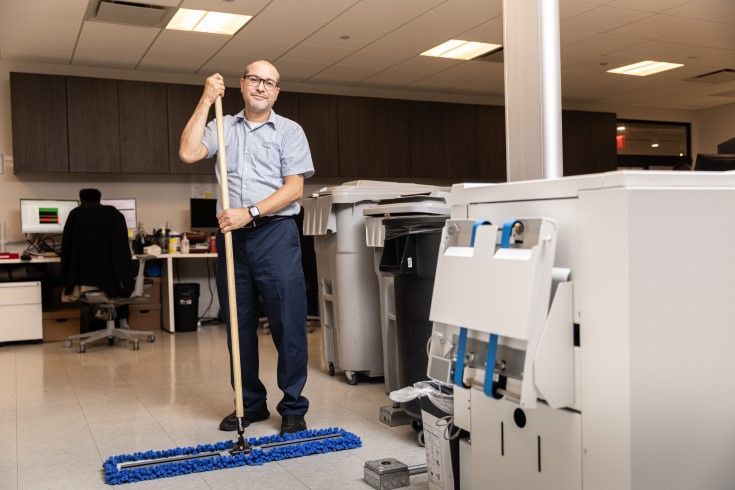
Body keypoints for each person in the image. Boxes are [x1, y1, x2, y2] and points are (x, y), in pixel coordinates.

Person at [179, 60, 314, 435]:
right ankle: (249, 404)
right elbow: (189, 153)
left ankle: (292, 407)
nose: (261, 87)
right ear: (242, 84)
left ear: (276, 91)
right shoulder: (222, 125)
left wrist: (249, 212)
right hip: (232, 238)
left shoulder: (290, 131)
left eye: (269, 83)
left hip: (276, 233)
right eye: (255, 79)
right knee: (237, 325)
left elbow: (294, 188)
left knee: (288, 323)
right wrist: (206, 99)